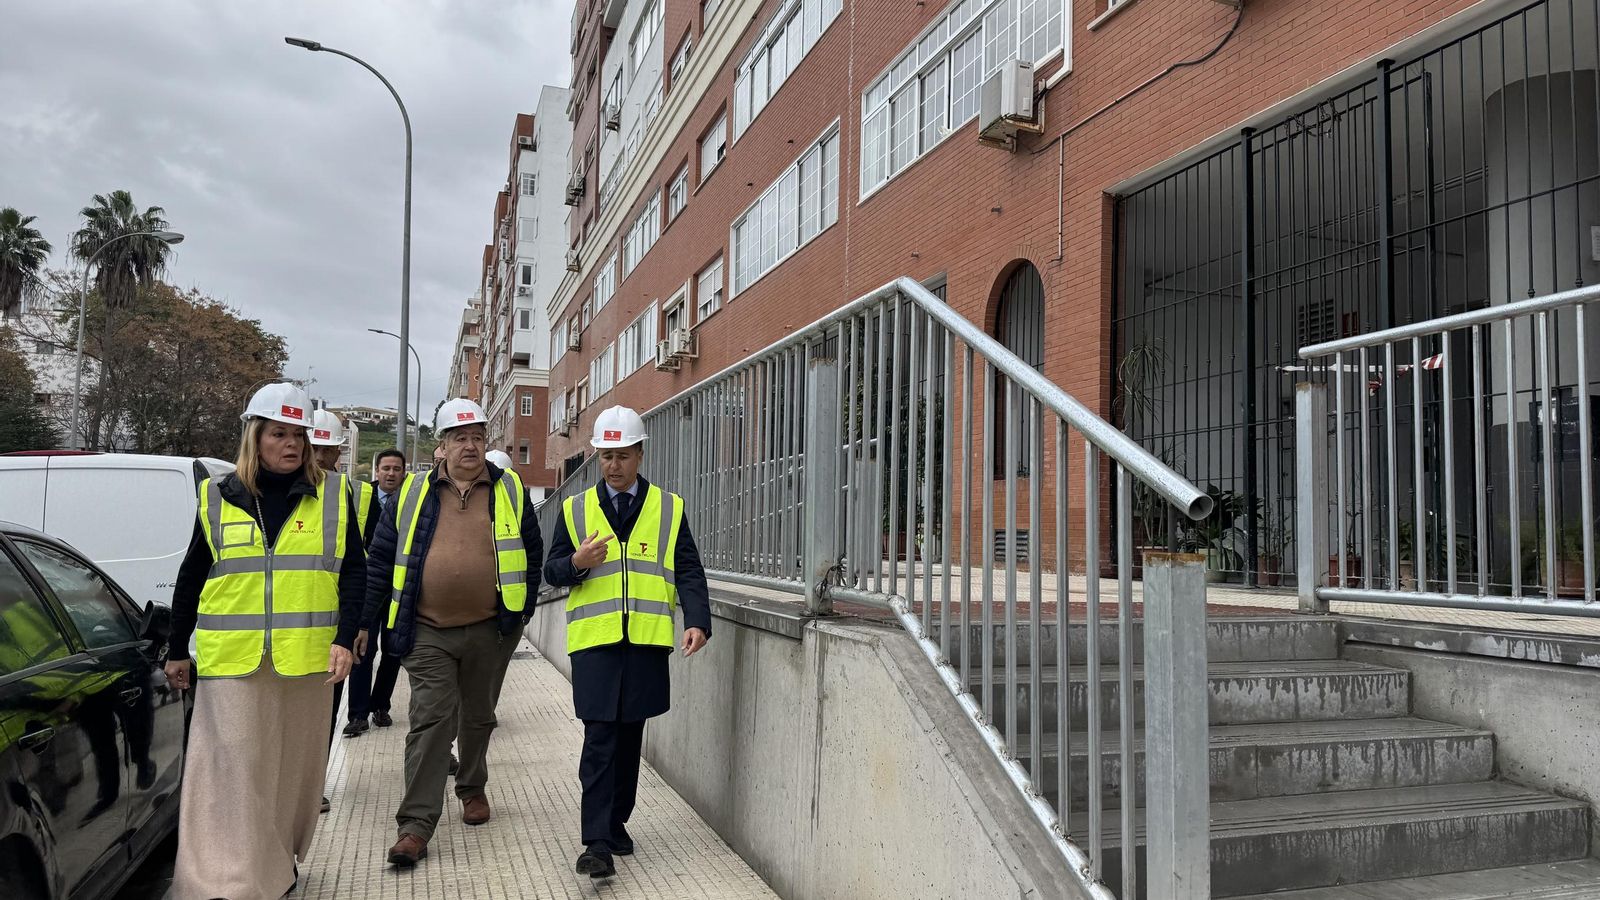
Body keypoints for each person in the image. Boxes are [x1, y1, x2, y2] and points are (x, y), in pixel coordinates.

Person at [165, 383, 367, 900]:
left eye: (299, 434)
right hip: (230, 661)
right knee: (233, 769)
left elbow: (354, 576)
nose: (292, 444)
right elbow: (192, 576)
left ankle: (276, 866)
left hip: (306, 659)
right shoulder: (216, 494)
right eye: (280, 433)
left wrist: (346, 639)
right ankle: (227, 880)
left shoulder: (333, 496)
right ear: (256, 436)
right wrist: (174, 648)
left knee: (291, 776)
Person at [363, 398, 544, 867]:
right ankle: (415, 825)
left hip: (489, 628)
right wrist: (365, 621)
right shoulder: (413, 492)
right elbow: (382, 559)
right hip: (427, 631)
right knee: (430, 720)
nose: (470, 446)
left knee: (479, 717)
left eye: (478, 437)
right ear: (441, 446)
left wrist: (519, 611)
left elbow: (532, 550)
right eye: (460, 438)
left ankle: (472, 788)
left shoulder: (508, 489)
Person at [543, 405, 712, 879]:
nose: (612, 465)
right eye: (604, 456)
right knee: (600, 738)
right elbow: (552, 571)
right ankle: (595, 841)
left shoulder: (668, 507)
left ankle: (616, 822)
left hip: (645, 642)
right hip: (595, 643)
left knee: (629, 737)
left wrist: (697, 620)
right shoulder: (575, 509)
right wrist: (576, 562)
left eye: (621, 455)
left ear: (639, 453)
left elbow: (690, 571)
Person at [309, 411, 379, 751]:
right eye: (315, 448)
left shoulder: (355, 495)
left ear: (340, 453)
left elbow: (367, 565)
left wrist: (360, 624)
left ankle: (314, 785)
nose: (321, 457)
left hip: (339, 619)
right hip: (291, 626)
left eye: (329, 450)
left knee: (323, 711)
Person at [349, 447, 408, 729]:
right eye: (386, 468)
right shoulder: (360, 498)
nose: (391, 474)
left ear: (403, 472)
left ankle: (381, 707)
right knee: (363, 649)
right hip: (367, 586)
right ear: (376, 471)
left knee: (393, 651)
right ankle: (358, 714)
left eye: (397, 469)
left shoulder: (411, 501)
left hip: (398, 589)